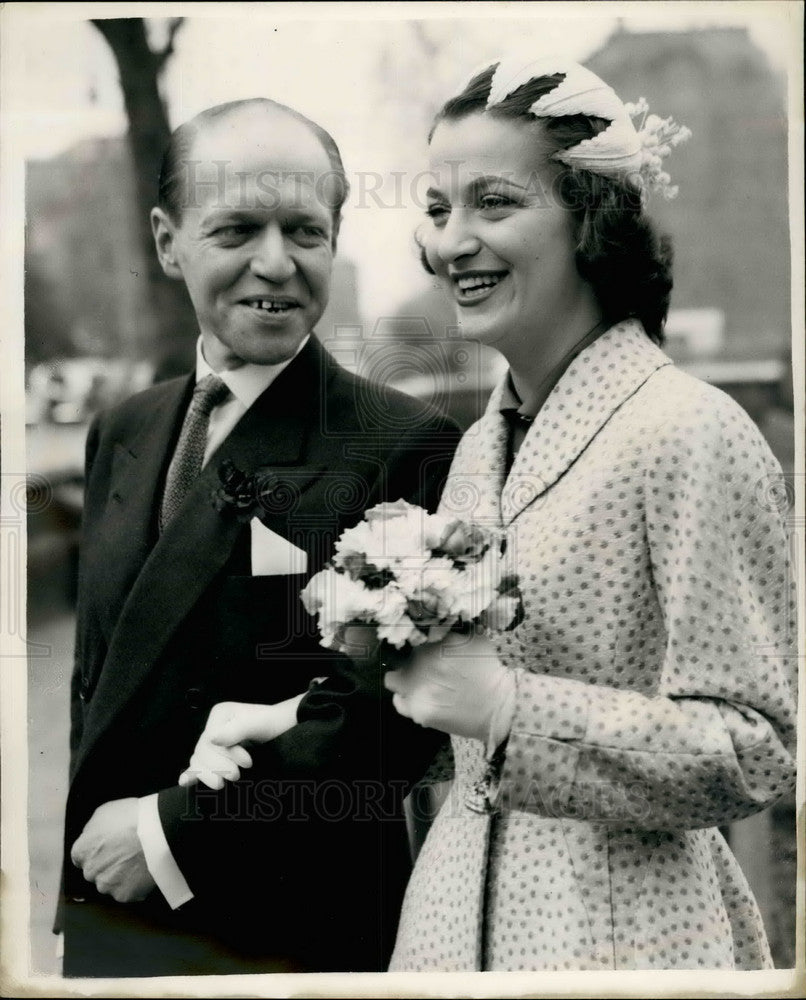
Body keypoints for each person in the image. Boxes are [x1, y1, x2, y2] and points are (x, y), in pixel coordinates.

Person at [194, 59, 797, 971]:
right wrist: (282, 720)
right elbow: (458, 715)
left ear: (592, 217)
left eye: (494, 204)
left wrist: (516, 711)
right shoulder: (479, 447)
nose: (451, 243)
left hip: (623, 943)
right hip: (447, 929)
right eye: (437, 210)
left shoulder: (690, 431)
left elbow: (759, 750)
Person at [60, 97, 460, 977]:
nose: (275, 263)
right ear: (168, 242)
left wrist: (166, 837)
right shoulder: (122, 428)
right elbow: (102, 681)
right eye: (237, 228)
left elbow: (385, 727)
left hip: (285, 935)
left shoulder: (404, 444)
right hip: (108, 914)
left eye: (305, 231)